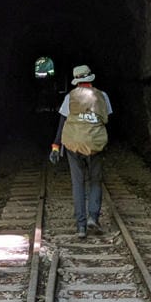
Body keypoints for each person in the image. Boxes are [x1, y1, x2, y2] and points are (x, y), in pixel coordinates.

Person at [49, 64, 111, 238]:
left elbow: (62, 123)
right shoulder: (102, 96)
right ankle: (93, 217)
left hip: (73, 144)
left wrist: (55, 146)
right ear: (90, 78)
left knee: (78, 183)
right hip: (94, 144)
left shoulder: (70, 97)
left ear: (77, 81)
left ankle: (81, 227)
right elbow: (106, 120)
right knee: (95, 181)